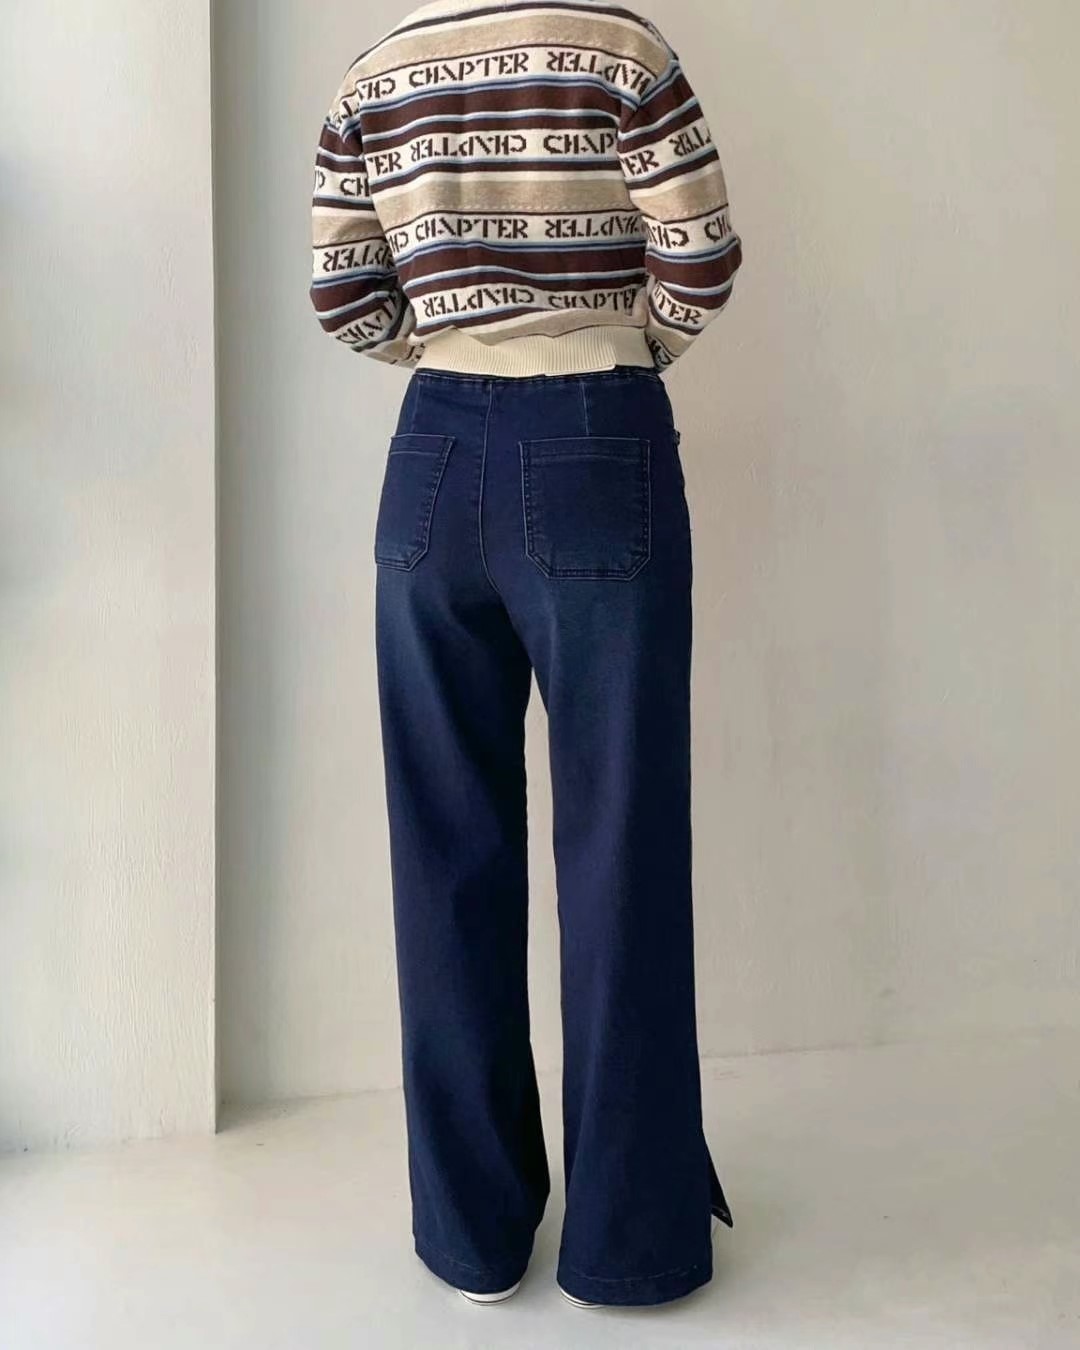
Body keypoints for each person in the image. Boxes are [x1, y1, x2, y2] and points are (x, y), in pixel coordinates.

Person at [309, 0, 743, 1309]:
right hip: (598, 437)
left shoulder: (375, 73)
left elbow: (344, 298)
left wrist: (456, 350)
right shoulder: (622, 50)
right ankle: (629, 1243)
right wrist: (618, 349)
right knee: (621, 845)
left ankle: (474, 1234)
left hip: (432, 457)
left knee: (442, 848)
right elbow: (701, 256)